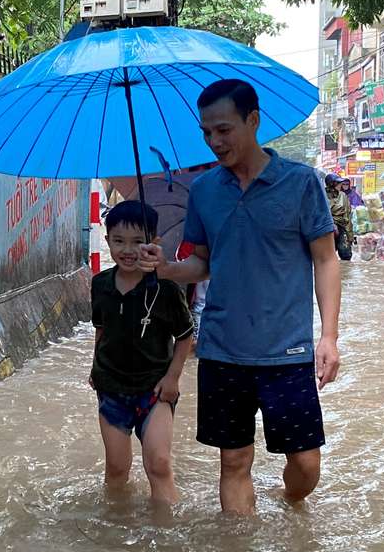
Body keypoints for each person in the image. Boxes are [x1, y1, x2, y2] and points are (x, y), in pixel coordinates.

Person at [138, 78, 342, 514]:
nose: (214, 141)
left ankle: (290, 503)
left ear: (253, 121)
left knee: (306, 464)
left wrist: (328, 336)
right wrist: (169, 270)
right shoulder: (206, 191)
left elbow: (326, 260)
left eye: (224, 130)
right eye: (206, 132)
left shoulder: (302, 183)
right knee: (233, 460)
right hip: (222, 349)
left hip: (287, 351)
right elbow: (205, 263)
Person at [91, 201, 194, 505]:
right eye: (119, 241)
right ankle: (116, 532)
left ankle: (165, 537)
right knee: (117, 469)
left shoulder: (165, 288)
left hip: (154, 389)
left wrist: (173, 379)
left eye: (138, 242)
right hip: (111, 388)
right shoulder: (100, 285)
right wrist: (94, 366)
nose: (127, 250)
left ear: (155, 242)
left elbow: (185, 336)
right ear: (107, 239)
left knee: (159, 465)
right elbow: (101, 328)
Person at [325, 173, 354, 261]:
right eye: (338, 183)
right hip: (327, 227)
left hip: (341, 226)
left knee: (345, 254)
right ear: (332, 184)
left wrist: (350, 236)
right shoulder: (322, 195)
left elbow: (347, 215)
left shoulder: (343, 195)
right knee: (327, 255)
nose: (341, 185)